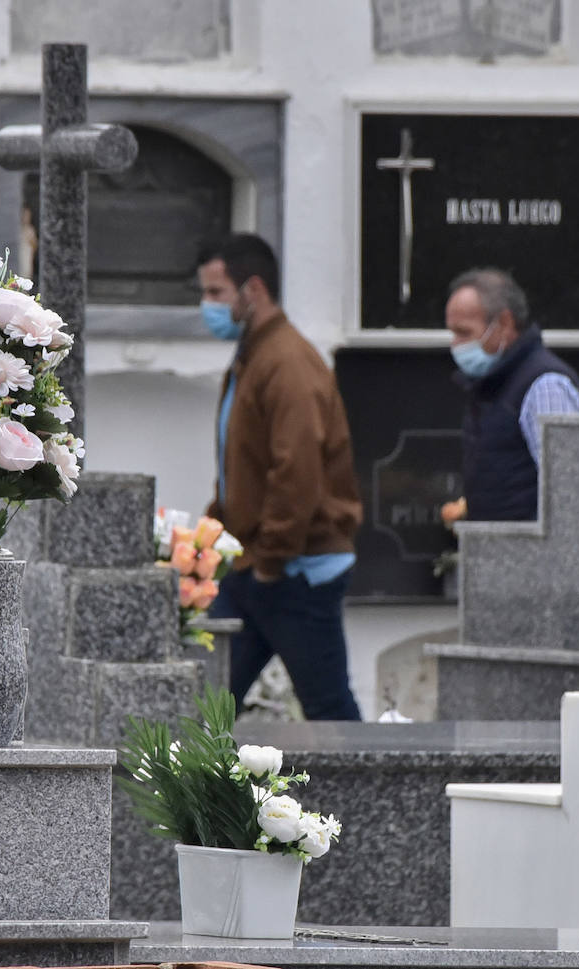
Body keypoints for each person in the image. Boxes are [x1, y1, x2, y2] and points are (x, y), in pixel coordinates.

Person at [197, 233, 363, 720]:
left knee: (330, 710)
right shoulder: (256, 355)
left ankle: (368, 795)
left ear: (253, 290)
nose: (206, 306)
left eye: (215, 293)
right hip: (257, 566)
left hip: (293, 571)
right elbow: (242, 464)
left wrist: (270, 560)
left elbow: (297, 472)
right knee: (208, 708)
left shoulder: (287, 362)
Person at [443, 267, 579, 523]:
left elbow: (571, 490)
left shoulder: (544, 386)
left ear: (505, 323)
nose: (456, 344)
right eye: (452, 333)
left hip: (533, 557)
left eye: (464, 332)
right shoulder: (492, 383)